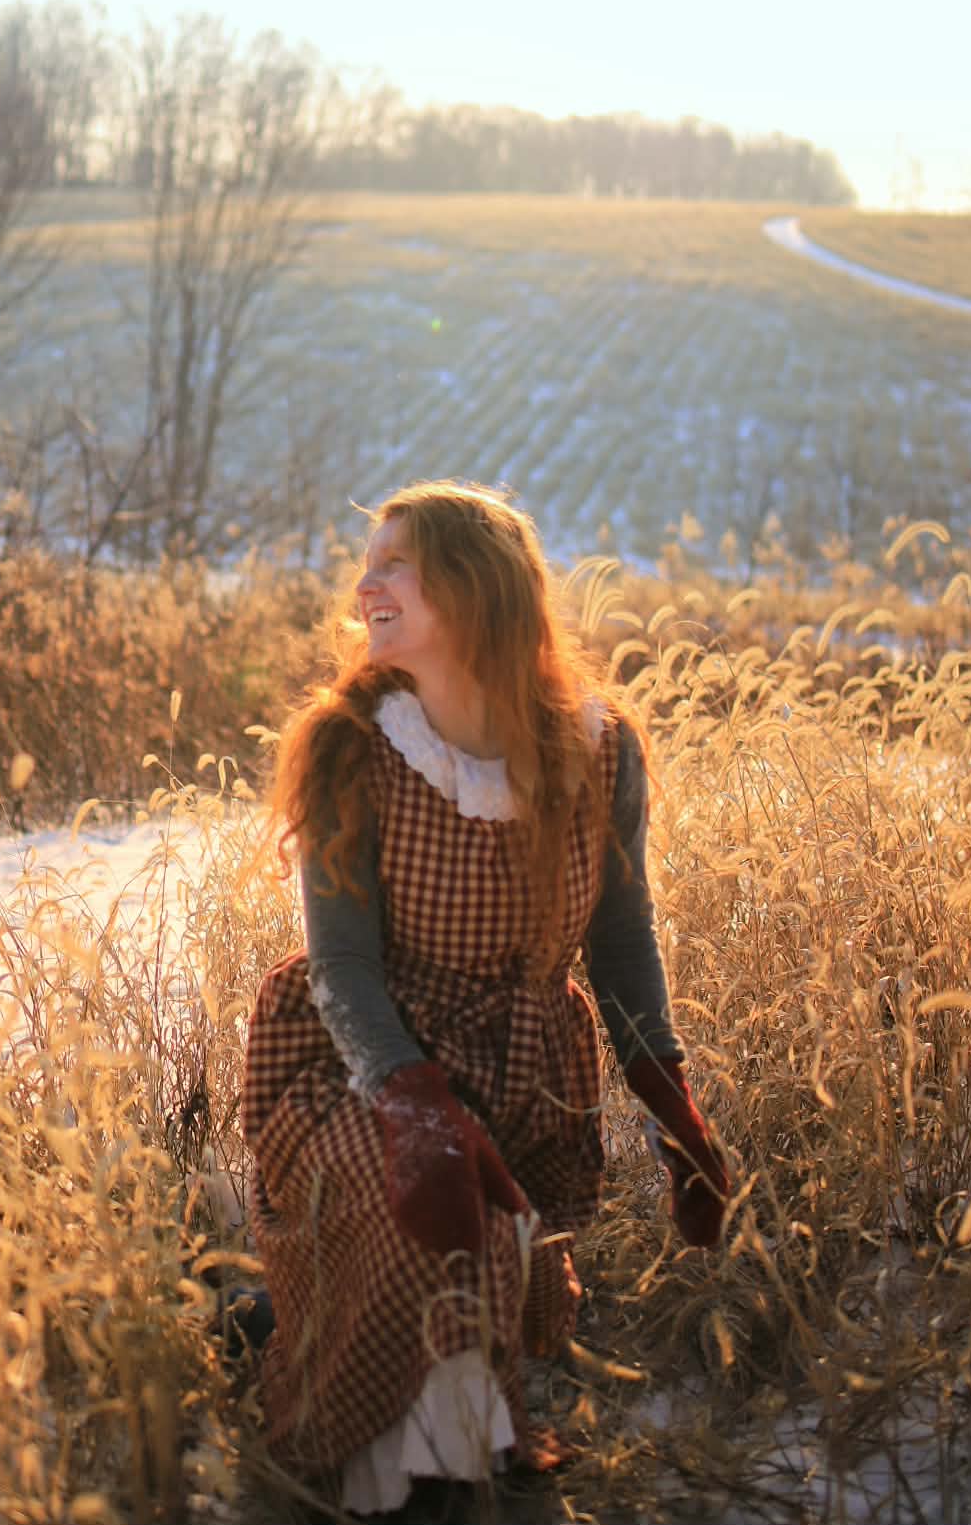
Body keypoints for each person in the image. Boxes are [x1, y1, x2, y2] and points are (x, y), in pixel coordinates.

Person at [240, 481, 731, 1515]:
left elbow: (619, 941)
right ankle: (388, 1468)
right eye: (366, 565)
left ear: (472, 587)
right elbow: (341, 966)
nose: (364, 586)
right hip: (367, 1062)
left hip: (522, 1068)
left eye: (394, 564)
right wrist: (417, 1110)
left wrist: (669, 1099)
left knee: (479, 1262)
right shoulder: (352, 745)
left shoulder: (600, 750)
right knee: (411, 1209)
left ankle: (438, 1444)